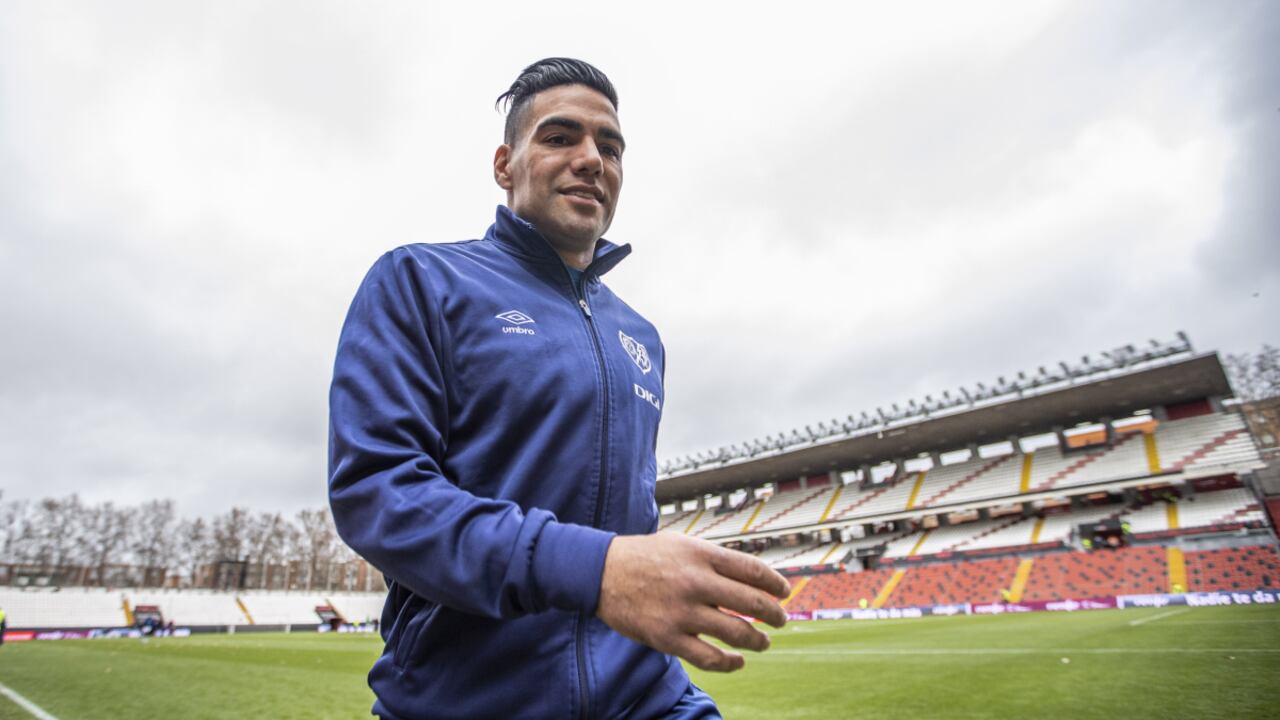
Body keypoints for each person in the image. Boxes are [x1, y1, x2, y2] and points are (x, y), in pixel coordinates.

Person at [328, 58, 790, 720]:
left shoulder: (642, 337)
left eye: (610, 146)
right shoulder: (420, 281)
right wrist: (597, 570)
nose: (591, 159)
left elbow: (632, 521)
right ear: (504, 165)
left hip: (648, 705)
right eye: (559, 137)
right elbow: (378, 496)